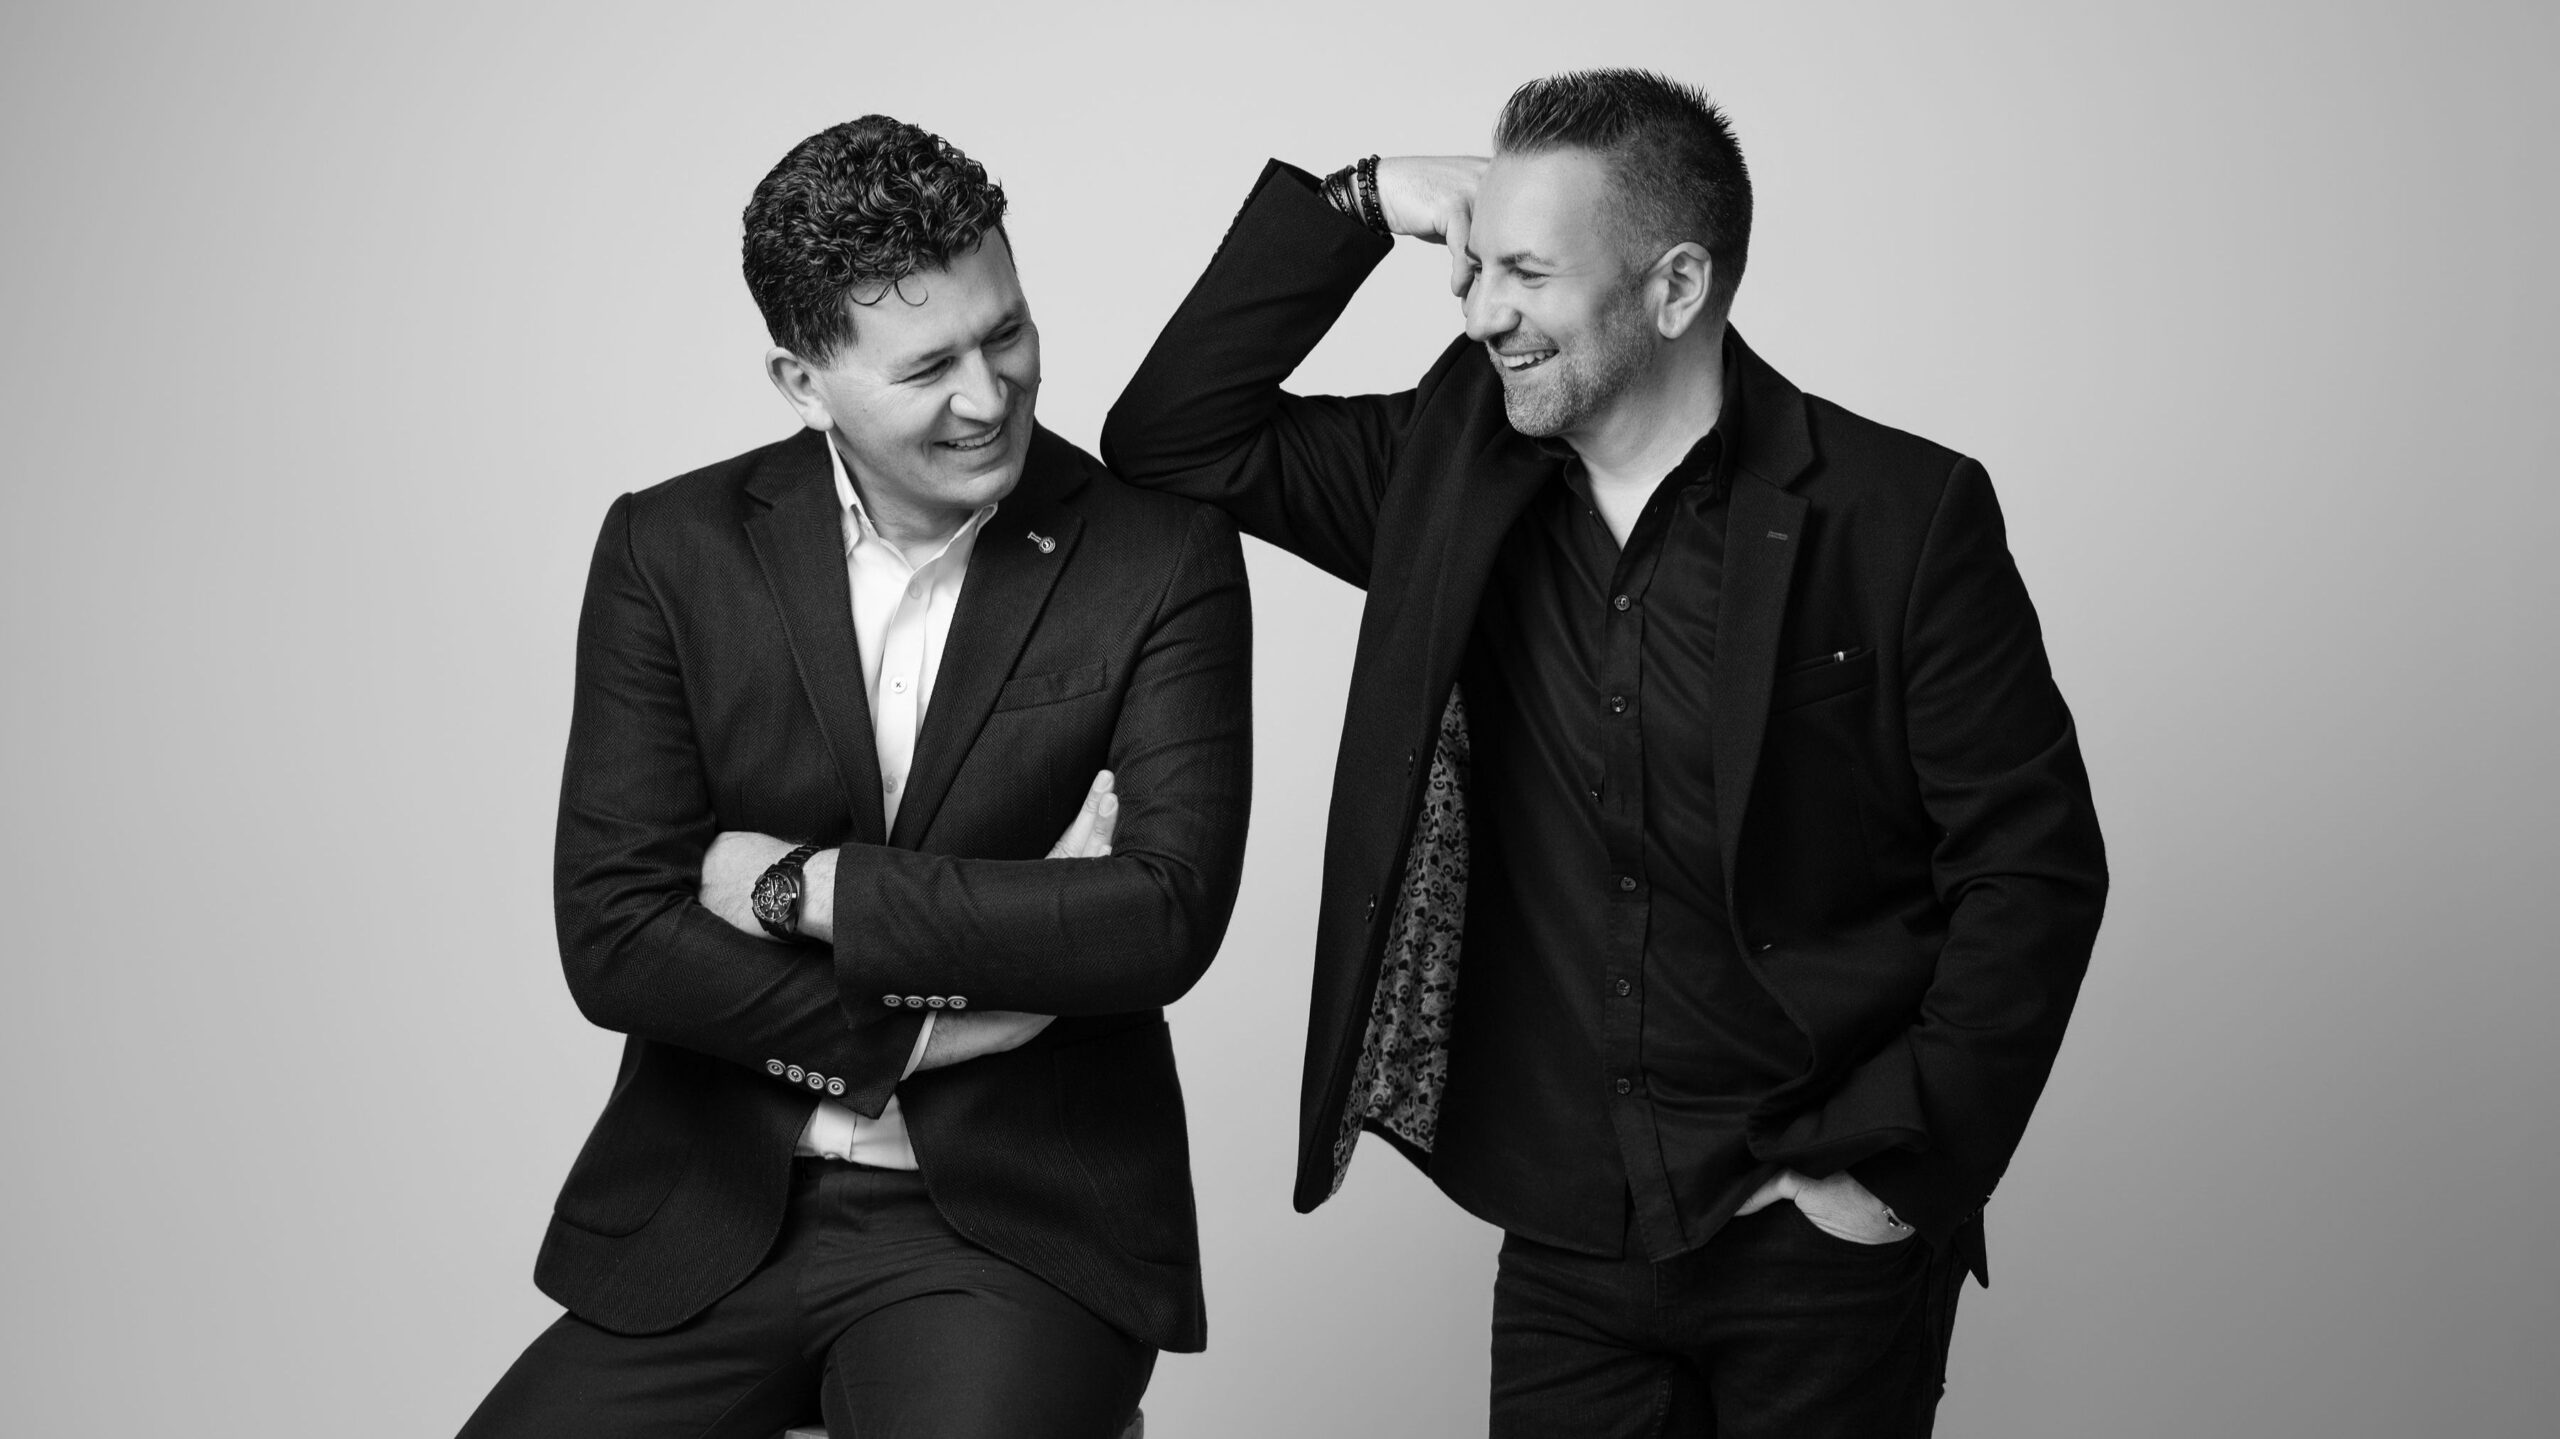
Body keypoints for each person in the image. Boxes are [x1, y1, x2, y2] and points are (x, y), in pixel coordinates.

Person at [1103, 69, 2107, 1437]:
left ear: (1676, 287)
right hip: (1570, 1231)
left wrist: (1890, 1177)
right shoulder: (1440, 478)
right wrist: (1367, 196)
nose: (1481, 309)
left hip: (1819, 1233)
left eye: (1528, 272)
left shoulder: (1900, 514)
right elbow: (1172, 435)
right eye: (1478, 267)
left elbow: (2032, 870)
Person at [460, 115, 1251, 1439]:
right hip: (709, 1215)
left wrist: (798, 888)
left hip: (1016, 1234)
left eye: (1007, 332)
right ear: (802, 379)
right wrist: (940, 1022)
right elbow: (615, 937)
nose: (990, 395)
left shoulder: (1158, 554)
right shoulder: (669, 548)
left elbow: (1159, 917)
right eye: (929, 366)